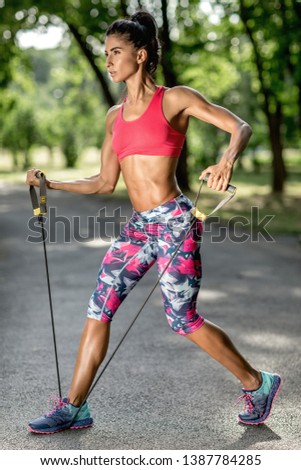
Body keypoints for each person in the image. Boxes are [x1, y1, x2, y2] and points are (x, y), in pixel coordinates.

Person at [26, 10, 281, 434]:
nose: (108, 61)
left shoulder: (175, 99)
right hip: (139, 226)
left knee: (182, 318)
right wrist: (52, 182)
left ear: (140, 56)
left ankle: (258, 383)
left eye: (116, 52)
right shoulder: (113, 117)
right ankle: (74, 406)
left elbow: (239, 125)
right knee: (99, 306)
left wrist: (226, 160)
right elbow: (105, 182)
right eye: (105, 53)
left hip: (175, 221)